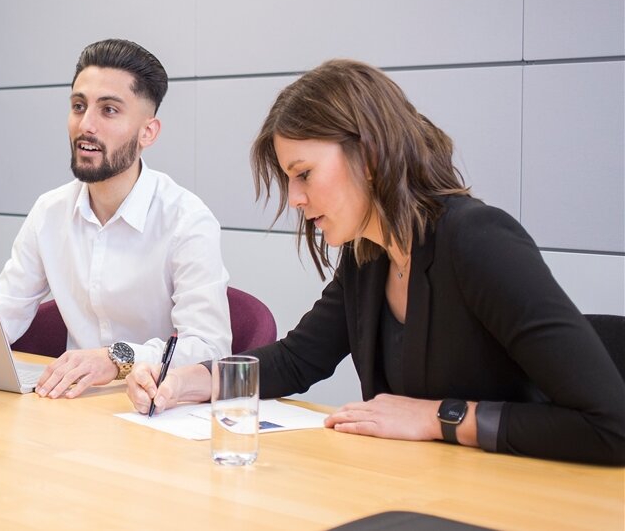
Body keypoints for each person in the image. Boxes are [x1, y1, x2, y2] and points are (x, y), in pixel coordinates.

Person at [126, 58, 625, 465]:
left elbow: (611, 424)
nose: (295, 199)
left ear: (370, 155)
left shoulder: (478, 240)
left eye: (304, 174)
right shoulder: (369, 254)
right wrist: (189, 380)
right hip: (423, 490)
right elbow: (299, 358)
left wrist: (438, 418)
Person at [0, 38, 232, 400]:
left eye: (109, 110)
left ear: (147, 132)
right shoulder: (49, 211)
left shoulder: (187, 220)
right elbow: (3, 314)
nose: (85, 125)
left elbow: (210, 349)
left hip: (158, 413)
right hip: (74, 410)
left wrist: (116, 359)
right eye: (78, 106)